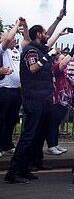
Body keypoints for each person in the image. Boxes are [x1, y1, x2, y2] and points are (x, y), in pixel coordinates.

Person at [4, 25, 58, 184]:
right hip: (33, 99)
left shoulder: (40, 49)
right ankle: (13, 172)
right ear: (38, 34)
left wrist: (59, 19)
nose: (46, 35)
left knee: (35, 136)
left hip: (42, 99)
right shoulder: (31, 51)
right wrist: (49, 57)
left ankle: (24, 168)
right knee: (28, 136)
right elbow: (33, 68)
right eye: (43, 32)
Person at [0, 18, 29, 158]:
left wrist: (25, 26)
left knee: (12, 119)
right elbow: (6, 40)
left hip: (16, 90)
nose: (13, 39)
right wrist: (16, 25)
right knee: (1, 119)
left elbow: (27, 40)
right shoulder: (2, 51)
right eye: (11, 38)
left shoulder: (17, 51)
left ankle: (7, 144)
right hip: (4, 89)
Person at [46, 42, 74, 156]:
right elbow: (63, 64)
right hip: (57, 100)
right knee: (53, 123)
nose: (65, 61)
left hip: (65, 101)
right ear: (56, 61)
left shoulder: (65, 72)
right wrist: (73, 51)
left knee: (57, 122)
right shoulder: (56, 68)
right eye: (62, 59)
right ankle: (51, 145)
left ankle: (55, 143)